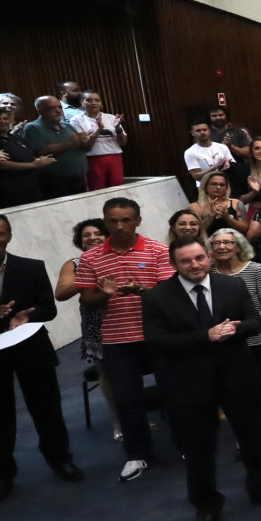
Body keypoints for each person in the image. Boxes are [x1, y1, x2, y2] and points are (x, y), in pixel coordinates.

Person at [142, 237, 261, 521]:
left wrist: (236, 328)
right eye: (186, 261)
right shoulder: (157, 297)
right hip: (190, 383)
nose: (194, 265)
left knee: (253, 438)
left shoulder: (231, 285)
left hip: (237, 374)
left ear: (208, 257)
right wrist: (205, 336)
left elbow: (254, 321)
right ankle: (206, 505)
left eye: (199, 258)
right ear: (174, 264)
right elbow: (157, 341)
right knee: (199, 448)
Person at [73, 198, 178, 483]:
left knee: (174, 391)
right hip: (118, 339)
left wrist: (142, 289)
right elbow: (87, 300)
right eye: (113, 221)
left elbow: (170, 295)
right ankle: (137, 454)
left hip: (158, 335)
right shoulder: (91, 258)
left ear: (138, 220)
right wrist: (104, 294)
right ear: (105, 222)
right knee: (128, 399)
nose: (120, 226)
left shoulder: (157, 250)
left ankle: (186, 445)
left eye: (127, 220)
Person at [0, 215, 81, 497]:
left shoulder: (31, 268)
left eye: (0, 233)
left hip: (31, 347)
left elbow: (48, 309)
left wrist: (27, 317)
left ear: (9, 236)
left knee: (47, 409)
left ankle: (60, 460)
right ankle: (1, 474)